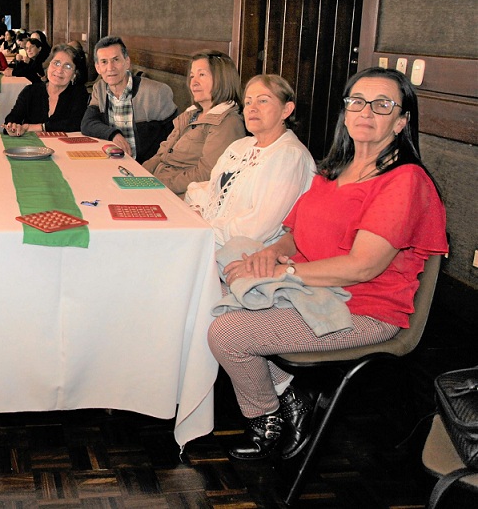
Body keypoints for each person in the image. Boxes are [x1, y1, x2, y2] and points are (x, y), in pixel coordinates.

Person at [209, 67, 447, 462]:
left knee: (228, 332)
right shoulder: (335, 169)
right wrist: (272, 253)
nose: (365, 112)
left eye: (381, 104)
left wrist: (281, 272)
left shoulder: (404, 181)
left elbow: (361, 268)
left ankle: (266, 417)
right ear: (345, 113)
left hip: (363, 307)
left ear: (402, 120)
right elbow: (295, 232)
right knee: (215, 288)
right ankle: (293, 393)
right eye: (356, 102)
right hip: (312, 290)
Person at [185, 75, 315, 248]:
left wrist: (206, 226)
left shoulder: (289, 156)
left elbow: (258, 228)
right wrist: (198, 215)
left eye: (262, 101)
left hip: (250, 256)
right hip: (211, 238)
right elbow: (207, 192)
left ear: (286, 110)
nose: (252, 109)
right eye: (247, 103)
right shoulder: (240, 146)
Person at [142, 50, 246, 196]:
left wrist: (156, 184)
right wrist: (138, 175)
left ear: (222, 79)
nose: (194, 82)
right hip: (158, 186)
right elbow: (162, 154)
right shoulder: (191, 114)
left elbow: (206, 175)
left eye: (202, 75)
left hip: (181, 198)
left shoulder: (227, 123)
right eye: (192, 76)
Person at [81, 36, 177, 163]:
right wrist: (113, 134)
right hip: (114, 163)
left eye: (116, 60)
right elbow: (88, 123)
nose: (110, 68)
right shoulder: (100, 88)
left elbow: (176, 138)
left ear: (127, 62)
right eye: (104, 62)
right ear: (98, 68)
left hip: (149, 167)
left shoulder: (156, 92)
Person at [4, 44, 88, 135]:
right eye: (56, 63)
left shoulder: (79, 93)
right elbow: (13, 118)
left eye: (67, 66)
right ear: (48, 66)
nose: (59, 70)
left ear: (74, 74)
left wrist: (33, 127)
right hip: (32, 146)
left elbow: (76, 124)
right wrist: (12, 127)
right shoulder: (31, 91)